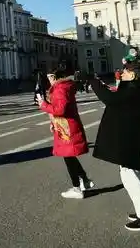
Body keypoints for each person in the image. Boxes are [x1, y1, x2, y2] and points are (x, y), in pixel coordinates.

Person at [89, 51, 140, 232]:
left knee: (130, 175)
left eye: (124, 71)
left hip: (130, 137)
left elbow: (109, 99)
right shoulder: (139, 86)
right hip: (133, 135)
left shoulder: (134, 88)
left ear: (132, 74)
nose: (121, 74)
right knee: (134, 173)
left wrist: (93, 81)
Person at [37, 69, 93, 199]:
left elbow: (60, 110)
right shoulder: (63, 86)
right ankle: (84, 180)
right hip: (65, 125)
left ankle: (77, 188)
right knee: (69, 156)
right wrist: (53, 122)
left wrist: (44, 105)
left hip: (66, 128)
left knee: (68, 157)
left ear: (54, 77)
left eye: (49, 77)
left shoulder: (60, 88)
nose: (48, 80)